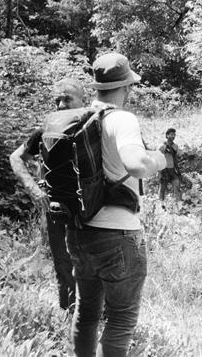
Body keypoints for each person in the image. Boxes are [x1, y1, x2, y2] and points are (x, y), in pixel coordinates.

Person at [65, 52, 167, 357]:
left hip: (80, 232)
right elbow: (135, 164)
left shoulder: (78, 117)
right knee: (121, 318)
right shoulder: (122, 118)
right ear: (126, 87)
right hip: (118, 233)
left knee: (86, 313)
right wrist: (158, 161)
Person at [9, 77, 85, 311]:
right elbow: (16, 157)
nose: (61, 105)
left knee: (93, 264)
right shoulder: (45, 131)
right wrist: (33, 189)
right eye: (57, 100)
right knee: (63, 265)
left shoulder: (93, 128)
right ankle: (68, 315)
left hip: (90, 208)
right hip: (56, 210)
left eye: (67, 99)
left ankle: (97, 317)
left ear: (82, 101)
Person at [158, 128, 182, 204]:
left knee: (177, 187)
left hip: (172, 170)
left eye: (174, 135)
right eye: (171, 134)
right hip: (163, 170)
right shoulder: (161, 146)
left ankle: (180, 206)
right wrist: (159, 172)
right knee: (162, 189)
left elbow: (176, 158)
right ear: (167, 135)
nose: (173, 136)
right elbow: (157, 159)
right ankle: (161, 206)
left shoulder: (175, 146)